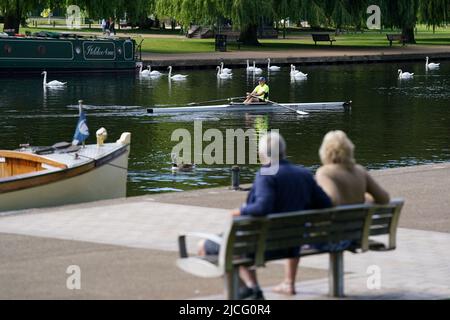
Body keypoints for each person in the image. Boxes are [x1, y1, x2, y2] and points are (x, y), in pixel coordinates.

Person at [200, 132, 333, 300]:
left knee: (205, 246)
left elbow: (262, 207)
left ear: (262, 154)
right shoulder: (304, 174)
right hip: (294, 243)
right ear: (284, 151)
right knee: (242, 243)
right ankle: (253, 289)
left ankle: (243, 291)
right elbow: (326, 204)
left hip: (265, 244)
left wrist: (240, 211)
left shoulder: (266, 174)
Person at [273, 130, 390, 296]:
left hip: (333, 237)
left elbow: (332, 201)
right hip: (356, 234)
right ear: (349, 148)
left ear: (325, 150)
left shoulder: (325, 172)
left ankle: (288, 282)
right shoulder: (360, 171)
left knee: (295, 230)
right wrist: (364, 197)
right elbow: (384, 198)